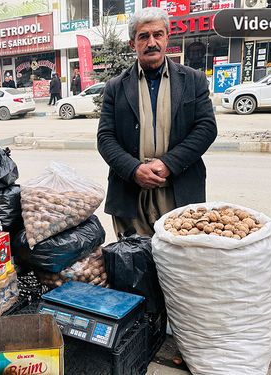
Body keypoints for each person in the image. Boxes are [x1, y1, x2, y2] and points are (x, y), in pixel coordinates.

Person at [97, 7, 217, 238]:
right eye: (144, 36)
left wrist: (168, 164)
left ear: (167, 37)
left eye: (157, 34)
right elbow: (105, 138)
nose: (151, 42)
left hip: (179, 190)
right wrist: (134, 169)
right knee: (134, 264)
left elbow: (206, 128)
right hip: (130, 193)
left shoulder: (193, 80)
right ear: (133, 44)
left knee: (178, 264)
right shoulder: (115, 87)